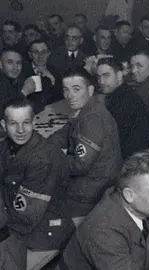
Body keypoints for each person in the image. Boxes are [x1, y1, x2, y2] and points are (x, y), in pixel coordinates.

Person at [33, 68, 122, 250]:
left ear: (89, 90)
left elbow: (79, 166)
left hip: (92, 192)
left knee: (36, 208)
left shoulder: (93, 119)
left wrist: (48, 160)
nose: (70, 95)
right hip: (95, 182)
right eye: (66, 90)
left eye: (76, 89)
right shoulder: (87, 108)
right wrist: (43, 145)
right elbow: (66, 131)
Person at [0, 98, 68, 269]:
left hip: (40, 224)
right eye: (13, 123)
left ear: (34, 122)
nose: (21, 130)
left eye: (26, 123)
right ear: (3, 125)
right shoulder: (6, 146)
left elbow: (25, 218)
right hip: (12, 210)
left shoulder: (42, 159)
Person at [96, 57, 149, 159]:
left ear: (119, 75)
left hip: (129, 160)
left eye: (106, 76)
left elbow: (113, 140)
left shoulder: (126, 100)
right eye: (98, 77)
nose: (101, 81)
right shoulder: (119, 94)